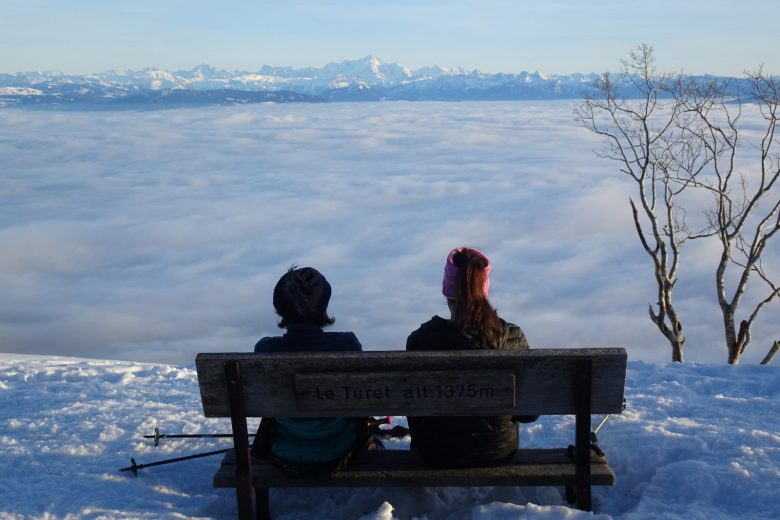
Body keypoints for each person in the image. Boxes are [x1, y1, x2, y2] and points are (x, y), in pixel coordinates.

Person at [406, 247, 537, 467]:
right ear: (484, 289)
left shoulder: (419, 340)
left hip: (436, 452)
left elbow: (413, 409)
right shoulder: (512, 338)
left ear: (447, 292)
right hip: (498, 451)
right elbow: (529, 414)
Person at [250, 266, 367, 477]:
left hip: (283, 453)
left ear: (280, 307)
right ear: (323, 305)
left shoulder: (265, 350)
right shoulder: (347, 345)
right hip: (340, 450)